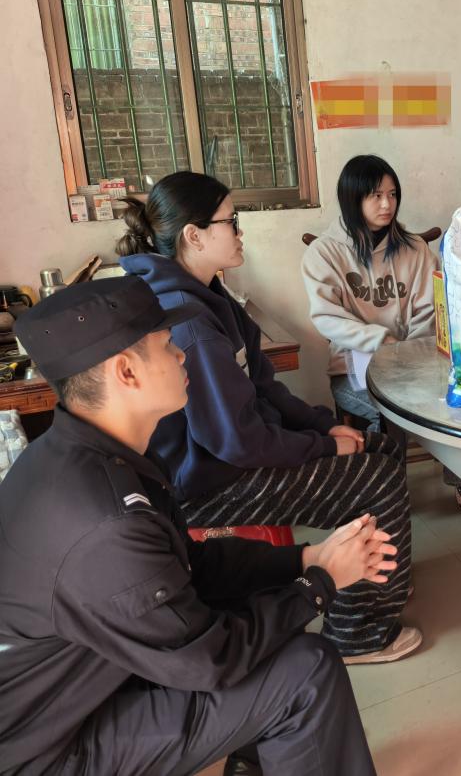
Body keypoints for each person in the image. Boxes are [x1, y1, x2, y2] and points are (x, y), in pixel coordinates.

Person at [0, 277, 388, 775]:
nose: (182, 355)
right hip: (42, 746)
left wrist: (304, 559)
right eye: (167, 345)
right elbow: (210, 661)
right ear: (126, 371)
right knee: (303, 672)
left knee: (270, 636)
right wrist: (320, 584)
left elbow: (187, 568)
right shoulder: (105, 519)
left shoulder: (85, 455)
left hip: (83, 685)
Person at [117, 172, 419, 664]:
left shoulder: (213, 296)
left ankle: (376, 582)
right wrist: (324, 446)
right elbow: (236, 442)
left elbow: (264, 387)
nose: (240, 232)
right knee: (376, 480)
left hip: (235, 454)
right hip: (207, 482)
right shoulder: (187, 320)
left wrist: (323, 426)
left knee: (379, 445)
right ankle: (358, 634)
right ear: (194, 236)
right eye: (230, 221)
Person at [301, 154, 461, 514]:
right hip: (354, 367)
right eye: (375, 195)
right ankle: (387, 496)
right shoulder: (325, 253)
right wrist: (381, 341)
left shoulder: (414, 249)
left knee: (457, 397)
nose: (387, 204)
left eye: (392, 194)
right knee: (385, 414)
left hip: (414, 359)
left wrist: (406, 351)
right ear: (352, 198)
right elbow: (327, 317)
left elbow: (430, 310)